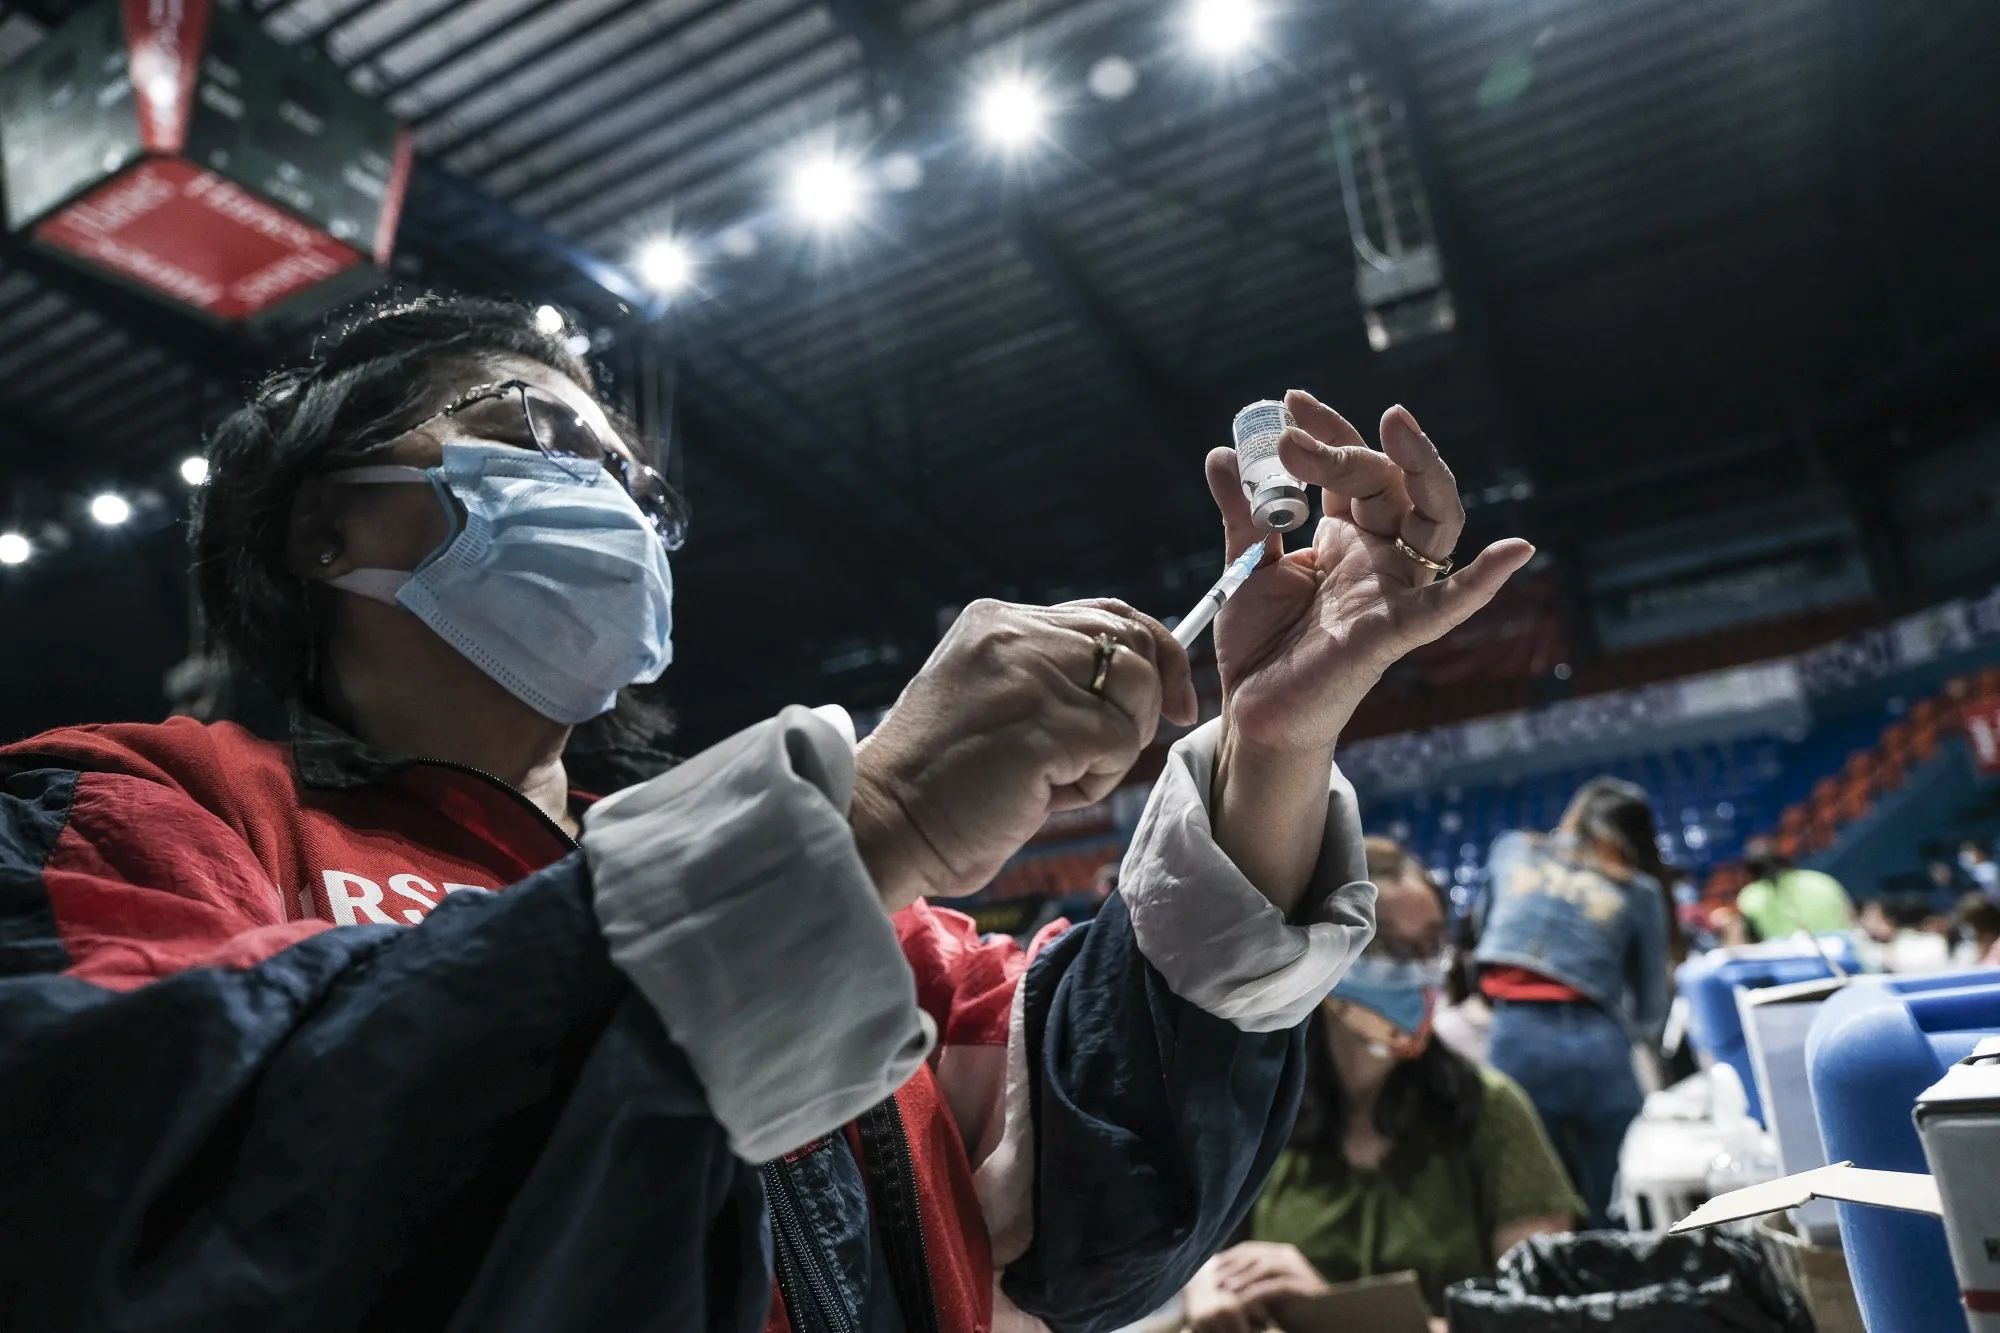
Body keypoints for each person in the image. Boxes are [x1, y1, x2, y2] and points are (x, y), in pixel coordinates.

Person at [0, 296, 1533, 1332]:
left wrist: (1274, 742)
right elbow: (149, 1201)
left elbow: (1099, 1193)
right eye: (534, 435)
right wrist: (867, 819)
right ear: (321, 519)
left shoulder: (865, 917)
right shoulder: (146, 812)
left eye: (633, 481)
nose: (609, 496)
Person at [1180, 837, 1580, 1327]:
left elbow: (1539, 1322)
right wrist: (1205, 1282)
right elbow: (1206, 1262)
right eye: (1386, 945)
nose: (1414, 969)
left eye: (1429, 944)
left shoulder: (1493, 1110)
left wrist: (1337, 1312)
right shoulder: (1255, 1113)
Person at [1473, 778, 1681, 1229]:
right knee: (1617, 1203)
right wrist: (1636, 1038)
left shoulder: (1512, 849)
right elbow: (1652, 1001)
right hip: (1599, 1043)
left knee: (1536, 1208)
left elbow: (1484, 929)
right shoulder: (1640, 890)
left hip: (1517, 1037)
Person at [1724, 838, 1855, 944]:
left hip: (1788, 969)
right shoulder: (1821, 881)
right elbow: (1851, 918)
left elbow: (1739, 943)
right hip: (1843, 957)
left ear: (1749, 870)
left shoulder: (1750, 896)